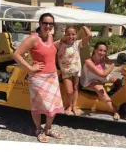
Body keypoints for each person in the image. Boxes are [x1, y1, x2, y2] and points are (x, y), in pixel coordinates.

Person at [13, 13, 64, 143]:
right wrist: (30, 68)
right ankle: (38, 129)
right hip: (38, 78)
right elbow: (17, 54)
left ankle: (48, 128)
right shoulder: (33, 38)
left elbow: (50, 51)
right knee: (38, 105)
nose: (48, 26)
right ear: (40, 23)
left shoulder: (50, 36)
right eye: (45, 23)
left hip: (52, 77)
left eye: (50, 23)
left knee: (52, 105)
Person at [55, 25, 92, 116]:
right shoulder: (60, 43)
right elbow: (50, 46)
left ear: (76, 35)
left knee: (75, 88)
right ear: (65, 34)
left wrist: (82, 25)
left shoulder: (77, 43)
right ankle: (69, 106)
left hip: (76, 70)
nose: (71, 36)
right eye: (68, 34)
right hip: (65, 71)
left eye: (73, 34)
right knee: (69, 91)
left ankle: (74, 107)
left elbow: (89, 35)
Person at [80, 42, 122, 120]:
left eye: (104, 51)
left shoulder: (103, 58)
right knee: (101, 91)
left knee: (119, 81)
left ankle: (118, 100)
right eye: (100, 50)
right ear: (94, 50)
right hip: (89, 80)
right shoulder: (88, 62)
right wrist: (112, 65)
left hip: (100, 77)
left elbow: (111, 62)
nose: (102, 53)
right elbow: (102, 74)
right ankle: (115, 111)